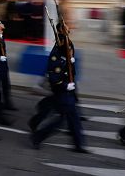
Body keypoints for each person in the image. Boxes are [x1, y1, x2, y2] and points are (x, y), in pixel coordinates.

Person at [30, 23, 87, 153]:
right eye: (65, 28)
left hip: (68, 88)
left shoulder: (68, 44)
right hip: (62, 89)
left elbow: (70, 65)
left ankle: (78, 145)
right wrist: (66, 85)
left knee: (72, 117)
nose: (69, 29)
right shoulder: (56, 53)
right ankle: (38, 136)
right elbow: (54, 77)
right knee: (62, 120)